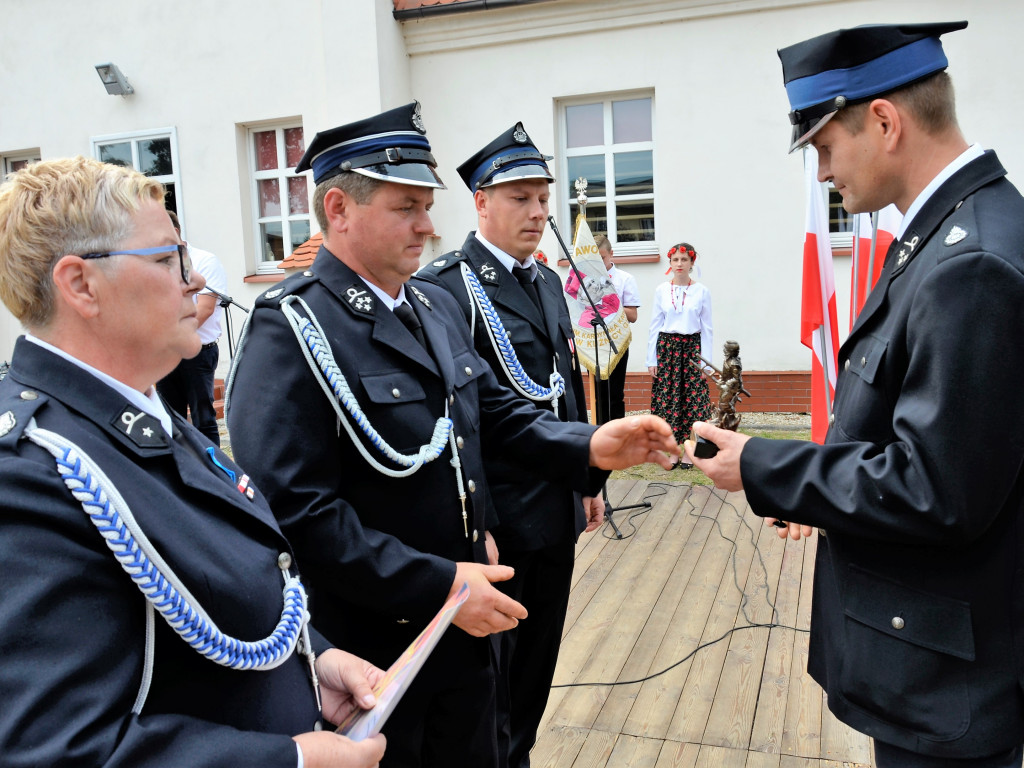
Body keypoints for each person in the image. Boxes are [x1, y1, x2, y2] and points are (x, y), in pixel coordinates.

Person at [225, 103, 679, 768]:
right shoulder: (291, 330)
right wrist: (440, 585)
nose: (427, 225)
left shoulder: (428, 307)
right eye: (405, 207)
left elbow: (492, 415)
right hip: (375, 651)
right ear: (338, 209)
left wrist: (588, 447)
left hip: (465, 624)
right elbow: (300, 513)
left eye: (425, 205)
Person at [688, 21, 1024, 766]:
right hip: (932, 662)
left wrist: (764, 468)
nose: (822, 174)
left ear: (883, 121)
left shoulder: (972, 265)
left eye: (824, 147)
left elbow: (935, 487)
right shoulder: (948, 236)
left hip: (948, 684)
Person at [0, 157, 386, 768]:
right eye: (166, 260)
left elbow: (215, 600)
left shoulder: (142, 413)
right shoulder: (29, 474)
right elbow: (61, 749)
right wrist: (290, 763)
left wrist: (312, 662)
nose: (195, 283)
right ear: (80, 285)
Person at [417, 122, 604, 768]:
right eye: (521, 198)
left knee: (536, 673)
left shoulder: (548, 282)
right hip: (501, 522)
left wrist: (589, 479)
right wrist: (482, 525)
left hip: (555, 511)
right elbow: (458, 421)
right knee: (492, 682)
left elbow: (566, 389)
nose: (537, 212)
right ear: (481, 203)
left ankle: (519, 753)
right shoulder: (449, 287)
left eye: (543, 198)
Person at [156, 210, 227, 445]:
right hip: (167, 350)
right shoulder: (155, 264)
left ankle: (214, 474)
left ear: (175, 232)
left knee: (203, 418)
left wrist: (172, 336)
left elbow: (205, 309)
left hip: (198, 351)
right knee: (169, 417)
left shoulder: (205, 261)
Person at [646, 242, 712, 468]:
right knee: (669, 402)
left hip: (693, 350)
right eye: (675, 260)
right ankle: (673, 450)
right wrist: (651, 359)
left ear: (692, 262)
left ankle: (691, 451)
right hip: (667, 350)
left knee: (695, 402)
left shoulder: (702, 291)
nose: (679, 264)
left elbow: (707, 329)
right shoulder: (661, 290)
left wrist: (707, 364)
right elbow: (654, 326)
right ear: (670, 263)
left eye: (684, 259)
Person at [594, 234, 640, 421]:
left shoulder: (625, 279)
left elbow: (633, 316)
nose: (599, 262)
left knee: (614, 394)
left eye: (602, 258)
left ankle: (618, 435)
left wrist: (612, 305)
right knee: (598, 394)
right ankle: (599, 434)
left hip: (616, 342)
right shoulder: (587, 279)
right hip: (594, 342)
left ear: (611, 254)